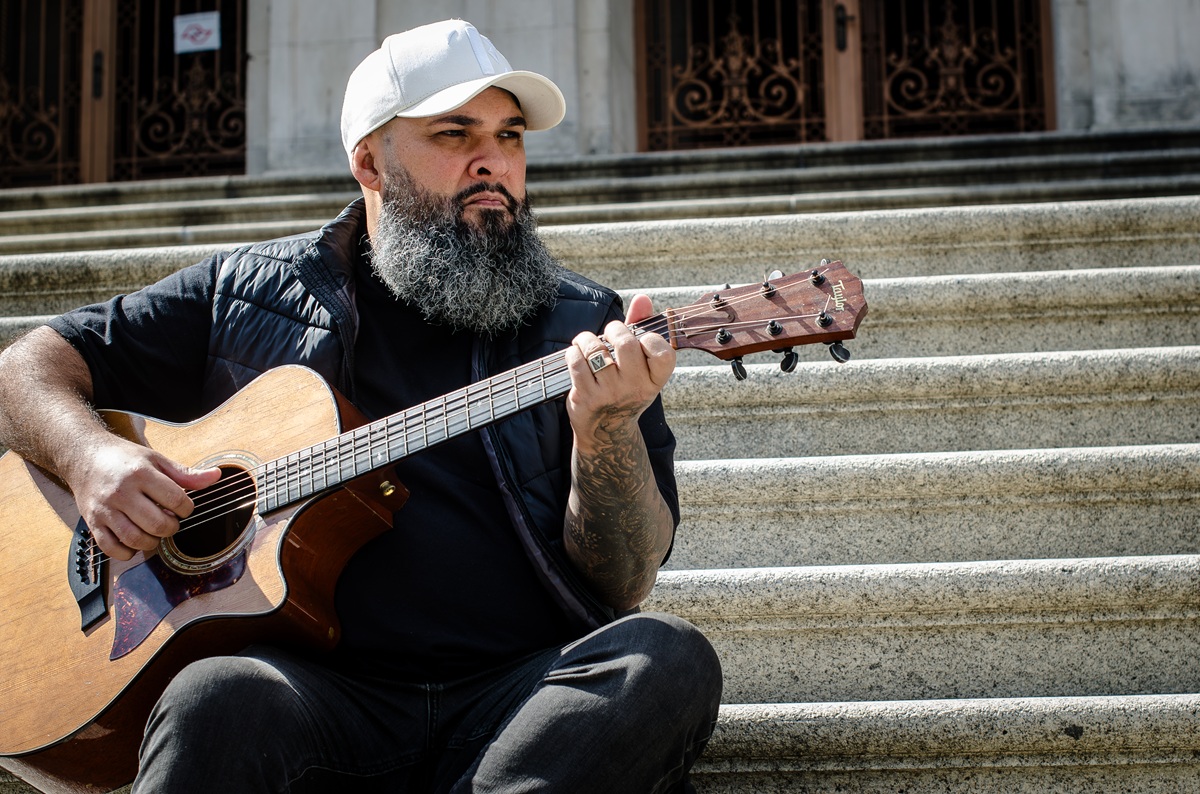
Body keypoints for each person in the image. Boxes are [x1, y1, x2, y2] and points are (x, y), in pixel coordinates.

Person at [0, 18, 722, 794]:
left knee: (665, 658)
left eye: (510, 136)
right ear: (369, 162)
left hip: (518, 697)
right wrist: (91, 458)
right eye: (455, 133)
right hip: (312, 696)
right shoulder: (247, 295)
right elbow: (24, 370)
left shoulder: (582, 325)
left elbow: (623, 579)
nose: (494, 161)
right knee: (214, 698)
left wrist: (606, 430)